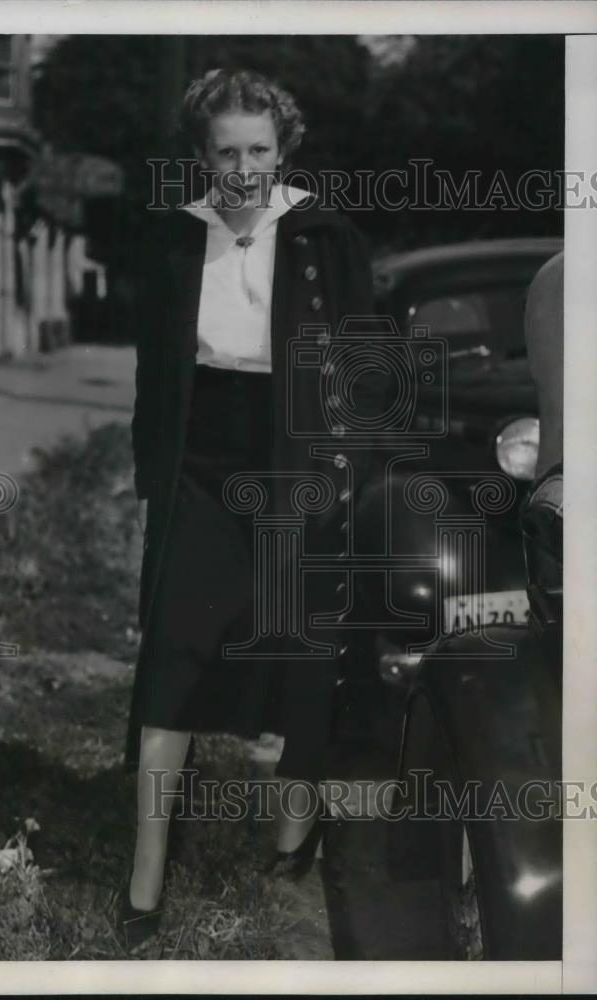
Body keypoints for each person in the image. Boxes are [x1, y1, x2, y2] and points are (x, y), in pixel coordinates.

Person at [120, 68, 380, 952]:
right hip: (198, 466)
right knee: (171, 658)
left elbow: (364, 370)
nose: (242, 168)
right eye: (225, 151)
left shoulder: (324, 237)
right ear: (202, 155)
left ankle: (295, 831)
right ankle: (144, 879)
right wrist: (148, 474)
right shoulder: (171, 238)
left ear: (283, 149)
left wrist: (347, 475)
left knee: (299, 651)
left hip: (294, 462)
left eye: (258, 150)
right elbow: (157, 375)